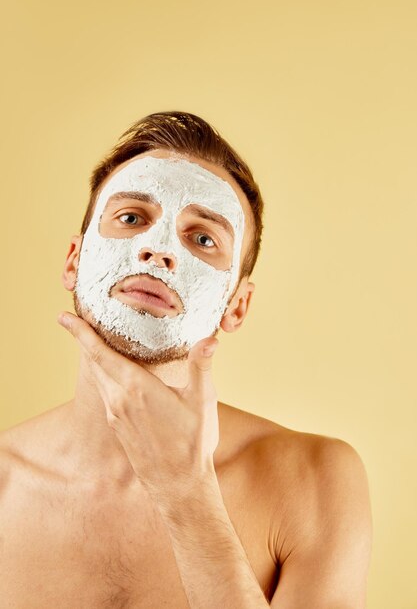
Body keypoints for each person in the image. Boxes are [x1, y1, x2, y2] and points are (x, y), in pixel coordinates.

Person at [0, 111, 372, 608]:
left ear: (236, 306)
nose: (158, 251)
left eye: (203, 238)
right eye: (132, 218)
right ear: (74, 259)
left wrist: (188, 496)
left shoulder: (315, 482)